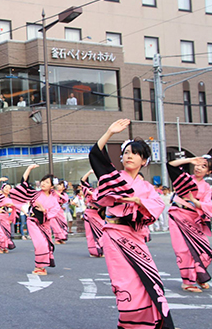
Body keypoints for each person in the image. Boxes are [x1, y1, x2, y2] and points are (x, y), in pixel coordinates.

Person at [89, 119, 174, 329]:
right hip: (114, 234)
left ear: (144, 160)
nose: (128, 156)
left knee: (149, 279)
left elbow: (155, 207)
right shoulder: (114, 178)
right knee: (124, 280)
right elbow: (97, 157)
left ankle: (151, 322)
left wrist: (138, 201)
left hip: (135, 236)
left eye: (134, 153)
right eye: (126, 152)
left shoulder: (146, 187)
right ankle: (131, 323)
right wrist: (109, 131)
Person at [167, 155, 212, 293]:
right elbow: (171, 165)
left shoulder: (207, 187)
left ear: (209, 171)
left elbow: (208, 206)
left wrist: (197, 203)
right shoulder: (186, 179)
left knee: (206, 252)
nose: (198, 168)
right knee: (183, 250)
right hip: (177, 215)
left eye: (203, 166)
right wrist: (190, 160)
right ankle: (187, 282)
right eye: (198, 165)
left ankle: (199, 276)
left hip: (193, 219)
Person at [11, 165, 59, 275]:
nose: (43, 183)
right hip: (33, 221)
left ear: (52, 186)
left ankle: (41, 266)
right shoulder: (35, 194)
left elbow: (55, 211)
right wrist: (29, 169)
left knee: (47, 244)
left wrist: (44, 210)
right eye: (43, 181)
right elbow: (24, 184)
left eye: (47, 182)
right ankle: (39, 267)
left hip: (45, 223)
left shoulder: (54, 199)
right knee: (40, 243)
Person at [0, 177, 24, 254]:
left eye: (9, 188)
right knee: (0, 233)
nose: (7, 189)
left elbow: (16, 206)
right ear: (2, 188)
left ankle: (4, 247)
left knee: (6, 233)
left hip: (5, 217)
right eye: (5, 187)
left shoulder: (9, 199)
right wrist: (0, 180)